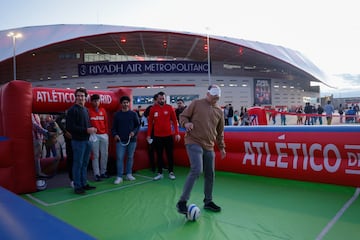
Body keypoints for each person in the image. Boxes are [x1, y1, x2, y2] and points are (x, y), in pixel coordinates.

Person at [176, 84, 226, 214]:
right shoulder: (196, 103)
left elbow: (220, 132)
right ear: (208, 94)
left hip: (209, 145)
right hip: (194, 141)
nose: (215, 99)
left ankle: (208, 201)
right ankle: (182, 202)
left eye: (217, 98)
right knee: (197, 169)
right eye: (214, 96)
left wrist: (221, 147)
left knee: (210, 174)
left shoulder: (219, 111)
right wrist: (186, 123)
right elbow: (183, 116)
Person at [66, 87, 97, 194]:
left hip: (87, 140)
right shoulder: (72, 110)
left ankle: (84, 183)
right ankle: (77, 186)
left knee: (84, 163)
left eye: (82, 96)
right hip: (78, 141)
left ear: (85, 97)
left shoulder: (86, 110)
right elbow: (71, 127)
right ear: (75, 97)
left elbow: (87, 125)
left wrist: (91, 129)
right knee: (78, 164)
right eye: (78, 96)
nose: (80, 98)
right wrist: (87, 130)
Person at [146, 91, 181, 180]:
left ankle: (171, 172)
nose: (161, 100)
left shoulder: (169, 108)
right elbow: (150, 123)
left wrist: (177, 133)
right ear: (157, 99)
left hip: (168, 136)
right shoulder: (153, 109)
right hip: (157, 136)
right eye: (160, 98)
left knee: (170, 154)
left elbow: (174, 121)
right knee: (159, 155)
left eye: (163, 98)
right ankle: (160, 172)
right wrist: (148, 135)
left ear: (165, 99)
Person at [112, 95, 140, 184]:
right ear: (121, 104)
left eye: (127, 102)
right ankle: (119, 176)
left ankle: (129, 174)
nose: (126, 104)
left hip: (132, 140)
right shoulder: (117, 115)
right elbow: (113, 128)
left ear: (129, 103)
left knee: (130, 157)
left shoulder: (133, 114)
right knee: (120, 158)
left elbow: (138, 125)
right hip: (120, 140)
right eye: (124, 103)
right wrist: (115, 135)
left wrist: (134, 132)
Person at [88, 94, 109, 181]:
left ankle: (103, 172)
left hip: (103, 134)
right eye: (94, 101)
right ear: (91, 102)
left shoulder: (103, 110)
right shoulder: (88, 111)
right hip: (94, 136)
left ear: (99, 101)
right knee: (95, 155)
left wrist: (106, 133)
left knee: (104, 154)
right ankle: (97, 174)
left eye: (97, 101)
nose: (96, 103)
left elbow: (106, 122)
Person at [55, 112, 74, 188]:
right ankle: (72, 179)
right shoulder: (67, 112)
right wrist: (65, 131)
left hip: (78, 138)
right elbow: (58, 120)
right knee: (71, 159)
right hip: (69, 139)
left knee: (78, 159)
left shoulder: (78, 111)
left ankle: (79, 178)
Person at [143, 93, 158, 172]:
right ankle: (152, 166)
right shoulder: (150, 108)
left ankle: (161, 165)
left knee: (161, 149)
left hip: (160, 132)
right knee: (151, 149)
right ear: (154, 100)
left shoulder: (162, 108)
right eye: (157, 100)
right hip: (151, 132)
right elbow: (146, 117)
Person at [32, 113, 50, 179]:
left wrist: (44, 136)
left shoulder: (36, 114)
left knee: (38, 155)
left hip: (39, 137)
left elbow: (38, 125)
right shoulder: (32, 114)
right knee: (36, 156)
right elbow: (35, 125)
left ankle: (39, 172)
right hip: (35, 138)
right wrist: (45, 132)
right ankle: (38, 173)